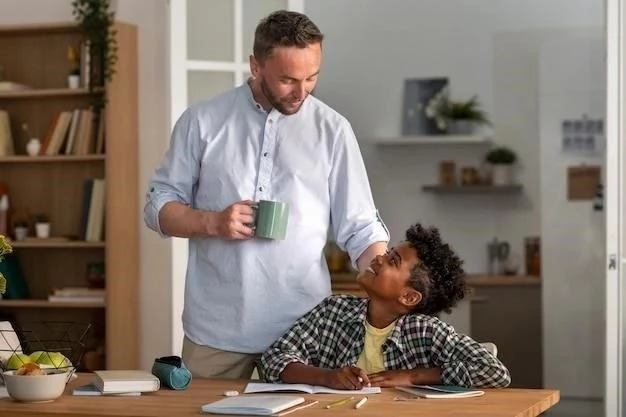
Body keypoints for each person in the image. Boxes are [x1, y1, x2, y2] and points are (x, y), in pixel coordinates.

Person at [143, 10, 388, 379]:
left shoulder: (334, 130)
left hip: (307, 333)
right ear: (255, 67)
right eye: (288, 79)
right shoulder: (202, 121)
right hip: (216, 330)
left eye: (312, 77)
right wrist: (211, 221)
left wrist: (386, 282)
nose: (302, 91)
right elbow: (157, 206)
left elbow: (361, 227)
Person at [259, 223, 511, 389]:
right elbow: (273, 359)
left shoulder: (426, 332)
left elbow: (493, 371)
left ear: (409, 297)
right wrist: (327, 376)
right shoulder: (332, 311)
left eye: (392, 260)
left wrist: (412, 376)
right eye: (388, 252)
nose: (379, 257)